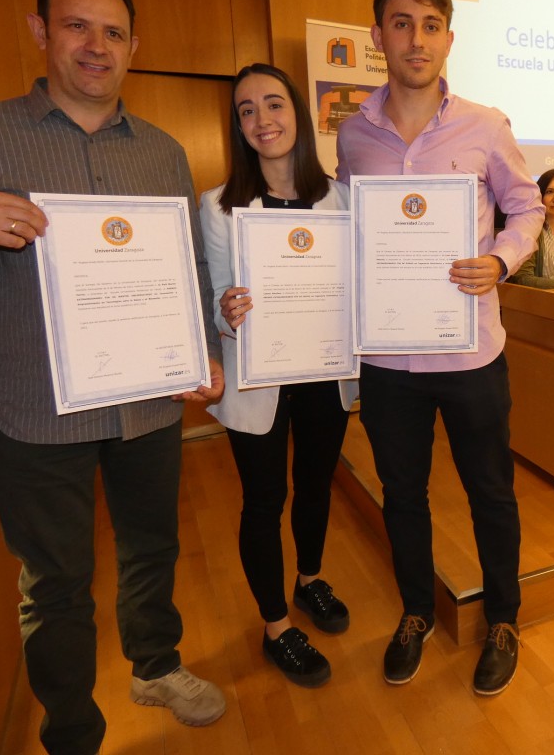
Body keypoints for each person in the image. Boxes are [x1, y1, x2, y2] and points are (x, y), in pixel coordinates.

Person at [0, 0, 226, 754]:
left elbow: (185, 267)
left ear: (134, 46)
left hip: (148, 401)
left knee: (152, 545)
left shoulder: (160, 154)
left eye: (114, 32)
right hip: (35, 411)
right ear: (40, 32)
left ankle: (155, 665)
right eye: (77, 26)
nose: (97, 46)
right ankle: (72, 731)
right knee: (54, 583)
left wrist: (203, 351)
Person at [336, 0, 544, 696]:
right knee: (403, 495)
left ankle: (504, 619)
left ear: (448, 38)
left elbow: (529, 209)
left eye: (429, 26)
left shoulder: (486, 125)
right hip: (389, 361)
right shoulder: (351, 136)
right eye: (401, 24)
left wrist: (500, 259)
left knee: (491, 491)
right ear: (377, 36)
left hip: (472, 353)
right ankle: (416, 613)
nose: (415, 40)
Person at [199, 63, 357, 689]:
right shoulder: (218, 205)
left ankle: (310, 580)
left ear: (298, 113)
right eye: (246, 111)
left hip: (323, 370)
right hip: (259, 379)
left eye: (273, 105)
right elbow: (215, 295)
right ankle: (274, 627)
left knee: (316, 483)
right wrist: (227, 311)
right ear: (238, 127)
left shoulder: (341, 198)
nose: (262, 120)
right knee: (265, 501)